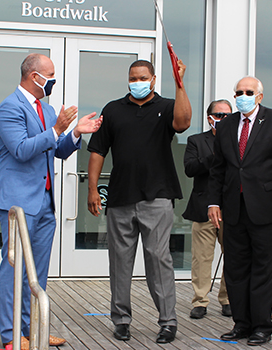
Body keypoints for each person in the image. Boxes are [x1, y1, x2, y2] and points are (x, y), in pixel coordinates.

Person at [0, 53, 101, 348]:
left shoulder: (49, 111)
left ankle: (33, 330)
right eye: (49, 75)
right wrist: (58, 129)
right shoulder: (9, 108)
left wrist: (75, 133)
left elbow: (58, 150)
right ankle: (12, 337)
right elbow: (22, 150)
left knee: (36, 274)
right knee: (14, 271)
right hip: (17, 202)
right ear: (32, 75)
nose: (53, 80)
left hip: (45, 203)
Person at [87, 59, 191, 344]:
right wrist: (93, 188)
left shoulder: (168, 105)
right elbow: (97, 151)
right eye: (133, 77)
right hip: (120, 197)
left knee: (159, 260)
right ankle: (120, 321)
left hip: (157, 197)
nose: (138, 81)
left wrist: (180, 83)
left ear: (154, 79)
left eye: (143, 77)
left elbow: (183, 122)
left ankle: (168, 322)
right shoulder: (113, 110)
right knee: (120, 263)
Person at [207, 76, 272, 346]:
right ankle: (241, 323)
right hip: (234, 210)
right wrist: (213, 202)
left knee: (264, 271)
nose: (243, 95)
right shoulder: (226, 125)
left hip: (269, 210)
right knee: (236, 270)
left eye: (248, 92)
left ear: (259, 96)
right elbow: (219, 168)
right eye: (238, 92)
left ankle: (262, 326)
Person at [183, 99, 232, 320]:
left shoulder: (239, 142)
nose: (223, 119)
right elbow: (190, 168)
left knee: (233, 256)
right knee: (201, 258)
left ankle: (228, 299)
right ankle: (200, 301)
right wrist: (216, 155)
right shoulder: (196, 140)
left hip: (231, 208)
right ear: (209, 117)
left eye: (227, 116)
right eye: (219, 115)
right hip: (203, 207)